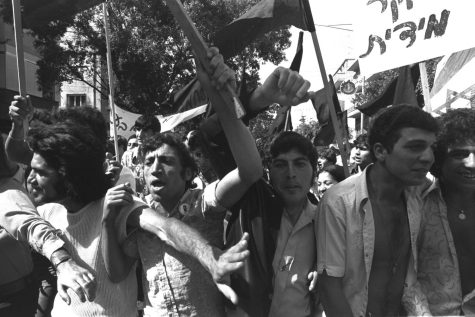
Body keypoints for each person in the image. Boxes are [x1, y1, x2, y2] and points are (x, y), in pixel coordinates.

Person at [103, 47, 263, 316]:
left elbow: (249, 171)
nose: (155, 168)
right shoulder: (140, 215)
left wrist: (218, 97)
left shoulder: (204, 203)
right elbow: (117, 272)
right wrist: (108, 221)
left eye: (166, 161)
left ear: (188, 174)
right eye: (149, 162)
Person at [317, 105, 438, 317]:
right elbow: (330, 288)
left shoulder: (416, 199)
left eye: (431, 147)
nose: (428, 157)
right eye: (415, 147)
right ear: (381, 151)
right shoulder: (339, 202)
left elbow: (407, 277)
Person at [0, 128, 97, 316]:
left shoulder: (6, 192)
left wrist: (63, 262)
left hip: (14, 299)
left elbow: (30, 225)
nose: (33, 179)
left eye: (41, 172)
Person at [403, 108, 475, 315]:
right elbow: (406, 278)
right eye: (460, 154)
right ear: (439, 158)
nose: (472, 163)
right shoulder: (415, 205)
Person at [121, 114, 161, 198]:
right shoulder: (127, 156)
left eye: (145, 130)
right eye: (138, 130)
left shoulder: (162, 156)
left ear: (156, 133)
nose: (140, 134)